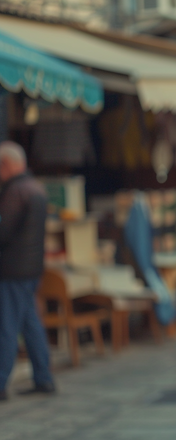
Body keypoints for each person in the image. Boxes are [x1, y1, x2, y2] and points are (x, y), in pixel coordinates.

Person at [0, 141, 56, 402]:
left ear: (6, 165)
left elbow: (3, 231)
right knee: (30, 323)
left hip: (13, 270)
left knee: (7, 327)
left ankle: (1, 381)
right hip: (31, 269)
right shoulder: (35, 188)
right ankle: (43, 377)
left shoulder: (15, 191)